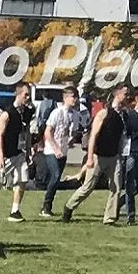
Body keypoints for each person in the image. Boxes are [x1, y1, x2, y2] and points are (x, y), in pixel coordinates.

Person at [62, 86, 128, 224]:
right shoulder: (103, 113)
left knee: (116, 187)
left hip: (114, 156)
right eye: (125, 94)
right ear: (117, 94)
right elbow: (93, 136)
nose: (128, 96)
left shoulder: (123, 115)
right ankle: (69, 207)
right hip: (99, 155)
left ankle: (109, 218)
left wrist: (120, 156)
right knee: (88, 186)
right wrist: (90, 157)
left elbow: (121, 138)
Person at [0, 83, 33, 223]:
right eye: (25, 95)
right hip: (5, 155)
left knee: (22, 179)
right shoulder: (7, 113)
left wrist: (28, 152)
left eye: (29, 95)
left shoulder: (27, 112)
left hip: (19, 153)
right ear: (18, 95)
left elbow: (27, 132)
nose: (28, 98)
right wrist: (0, 155)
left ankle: (15, 211)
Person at [35, 86, 84, 216]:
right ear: (65, 98)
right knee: (55, 176)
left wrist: (72, 139)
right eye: (73, 96)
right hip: (52, 150)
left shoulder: (75, 115)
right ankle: (46, 206)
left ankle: (48, 206)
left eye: (76, 96)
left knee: (56, 180)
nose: (75, 99)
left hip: (64, 151)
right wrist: (56, 149)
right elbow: (48, 132)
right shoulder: (57, 112)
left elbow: (72, 132)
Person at [118, 89, 138, 224]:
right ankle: (131, 216)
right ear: (137, 98)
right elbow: (126, 134)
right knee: (130, 184)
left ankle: (118, 203)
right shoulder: (130, 115)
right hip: (132, 153)